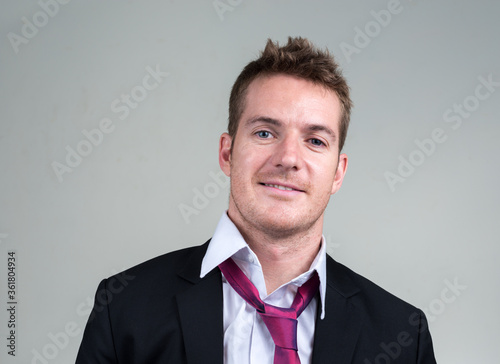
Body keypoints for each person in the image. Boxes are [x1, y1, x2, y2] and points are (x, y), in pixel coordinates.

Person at [76, 37, 436, 364]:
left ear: (338, 173)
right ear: (227, 153)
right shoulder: (124, 307)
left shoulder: (403, 336)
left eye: (315, 141)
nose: (288, 158)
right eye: (265, 132)